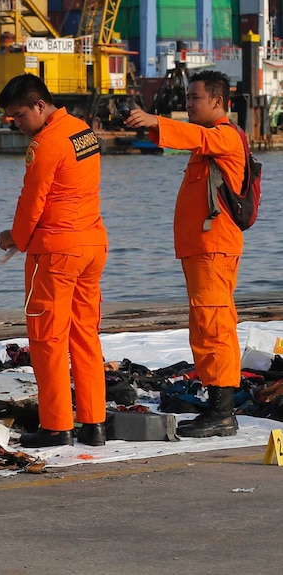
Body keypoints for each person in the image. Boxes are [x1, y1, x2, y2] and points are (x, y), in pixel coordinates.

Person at [124, 70, 244, 437]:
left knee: (215, 327)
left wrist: (157, 121)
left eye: (195, 98)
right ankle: (217, 408)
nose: (188, 104)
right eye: (187, 98)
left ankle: (223, 413)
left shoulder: (224, 137)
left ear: (218, 102)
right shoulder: (207, 144)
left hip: (213, 251)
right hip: (202, 251)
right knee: (206, 327)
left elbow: (193, 135)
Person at [0, 74, 109, 448]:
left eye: (18, 115)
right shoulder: (82, 132)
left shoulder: (46, 144)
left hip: (57, 251)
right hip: (91, 244)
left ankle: (57, 425)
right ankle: (93, 423)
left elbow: (32, 202)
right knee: (85, 335)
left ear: (39, 105)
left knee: (47, 337)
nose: (15, 123)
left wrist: (16, 240)